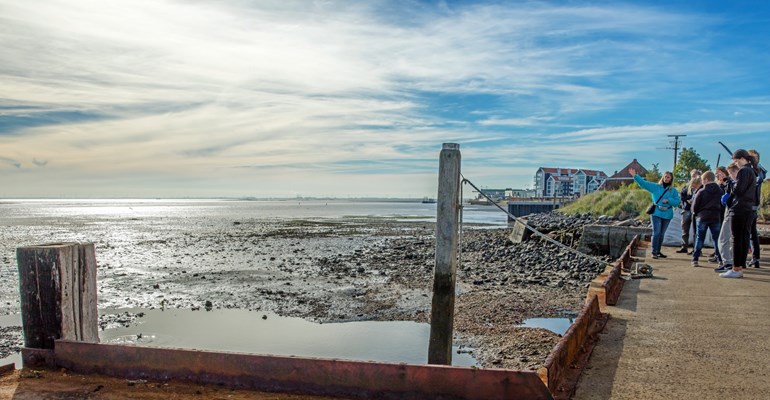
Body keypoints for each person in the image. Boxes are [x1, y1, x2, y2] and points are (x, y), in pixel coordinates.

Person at [720, 149, 758, 278]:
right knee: (743, 238)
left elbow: (738, 190)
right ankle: (740, 266)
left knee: (736, 239)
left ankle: (736, 268)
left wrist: (729, 183)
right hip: (748, 208)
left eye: (735, 161)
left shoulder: (744, 171)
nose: (735, 164)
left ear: (742, 159)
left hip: (739, 208)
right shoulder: (752, 171)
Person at [630, 168, 681, 259]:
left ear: (671, 179)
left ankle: (658, 251)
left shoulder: (673, 191)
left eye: (668, 177)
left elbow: (677, 202)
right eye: (665, 176)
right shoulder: (656, 187)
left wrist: (669, 200)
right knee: (656, 232)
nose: (666, 178)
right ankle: (653, 252)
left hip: (667, 213)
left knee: (662, 234)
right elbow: (644, 184)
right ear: (663, 177)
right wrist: (635, 176)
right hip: (656, 212)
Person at [690, 171, 724, 267]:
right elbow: (723, 205)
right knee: (717, 239)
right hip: (716, 216)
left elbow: (695, 206)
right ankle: (720, 260)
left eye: (702, 180)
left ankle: (695, 259)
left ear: (706, 179)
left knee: (699, 238)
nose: (701, 182)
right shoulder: (720, 191)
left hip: (703, 217)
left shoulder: (701, 191)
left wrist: (696, 213)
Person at [714, 165, 736, 272]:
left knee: (723, 239)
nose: (717, 175)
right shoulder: (731, 183)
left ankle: (727, 262)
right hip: (728, 212)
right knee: (729, 239)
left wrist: (725, 183)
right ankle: (730, 261)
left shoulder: (732, 183)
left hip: (729, 212)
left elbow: (727, 197)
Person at [677, 169, 703, 254]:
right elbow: (682, 195)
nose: (693, 177)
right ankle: (684, 246)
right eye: (692, 176)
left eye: (695, 175)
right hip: (687, 209)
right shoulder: (687, 186)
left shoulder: (702, 186)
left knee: (697, 231)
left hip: (697, 211)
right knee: (685, 230)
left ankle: (697, 249)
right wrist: (688, 200)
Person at [748, 149, 766, 268]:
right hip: (751, 204)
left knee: (750, 233)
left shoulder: (757, 171)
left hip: (751, 204)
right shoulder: (756, 170)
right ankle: (755, 258)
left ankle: (754, 258)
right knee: (751, 233)